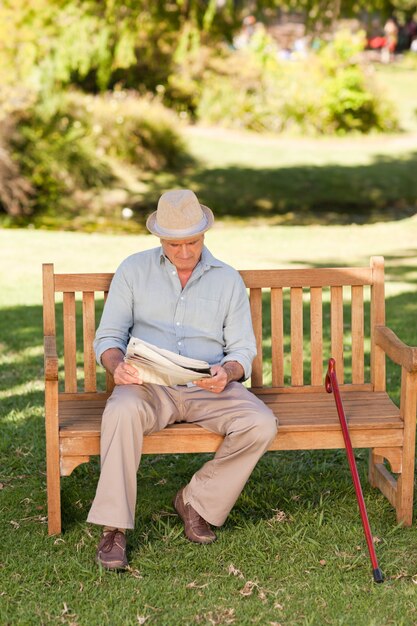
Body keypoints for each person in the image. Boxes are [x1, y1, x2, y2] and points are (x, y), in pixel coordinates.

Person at [87, 189, 278, 570]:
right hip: (148, 385)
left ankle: (196, 501)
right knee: (121, 412)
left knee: (260, 423)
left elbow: (242, 350)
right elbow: (108, 338)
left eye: (193, 242)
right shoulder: (133, 270)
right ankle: (114, 528)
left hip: (208, 385)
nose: (186, 252)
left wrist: (229, 372)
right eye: (176, 244)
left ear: (204, 235)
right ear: (160, 239)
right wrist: (116, 365)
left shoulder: (226, 280)